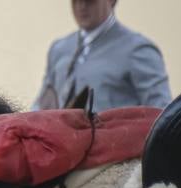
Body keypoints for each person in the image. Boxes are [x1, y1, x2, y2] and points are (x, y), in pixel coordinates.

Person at [33, 0, 170, 111]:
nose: (81, 6)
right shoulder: (59, 49)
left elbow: (161, 114)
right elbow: (42, 105)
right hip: (61, 142)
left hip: (114, 143)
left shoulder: (139, 50)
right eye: (75, 1)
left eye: (90, 1)